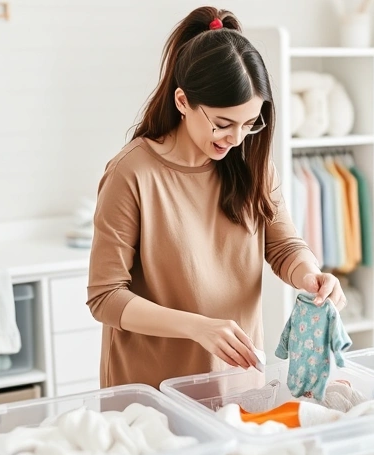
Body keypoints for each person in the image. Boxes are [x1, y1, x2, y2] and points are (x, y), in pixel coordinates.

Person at [86, 6, 345, 389]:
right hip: (152, 391)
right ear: (182, 102)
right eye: (223, 124)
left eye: (249, 123)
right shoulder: (132, 173)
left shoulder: (251, 164)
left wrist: (310, 274)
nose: (236, 138)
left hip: (237, 381)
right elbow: (105, 297)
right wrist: (197, 327)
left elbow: (284, 245)